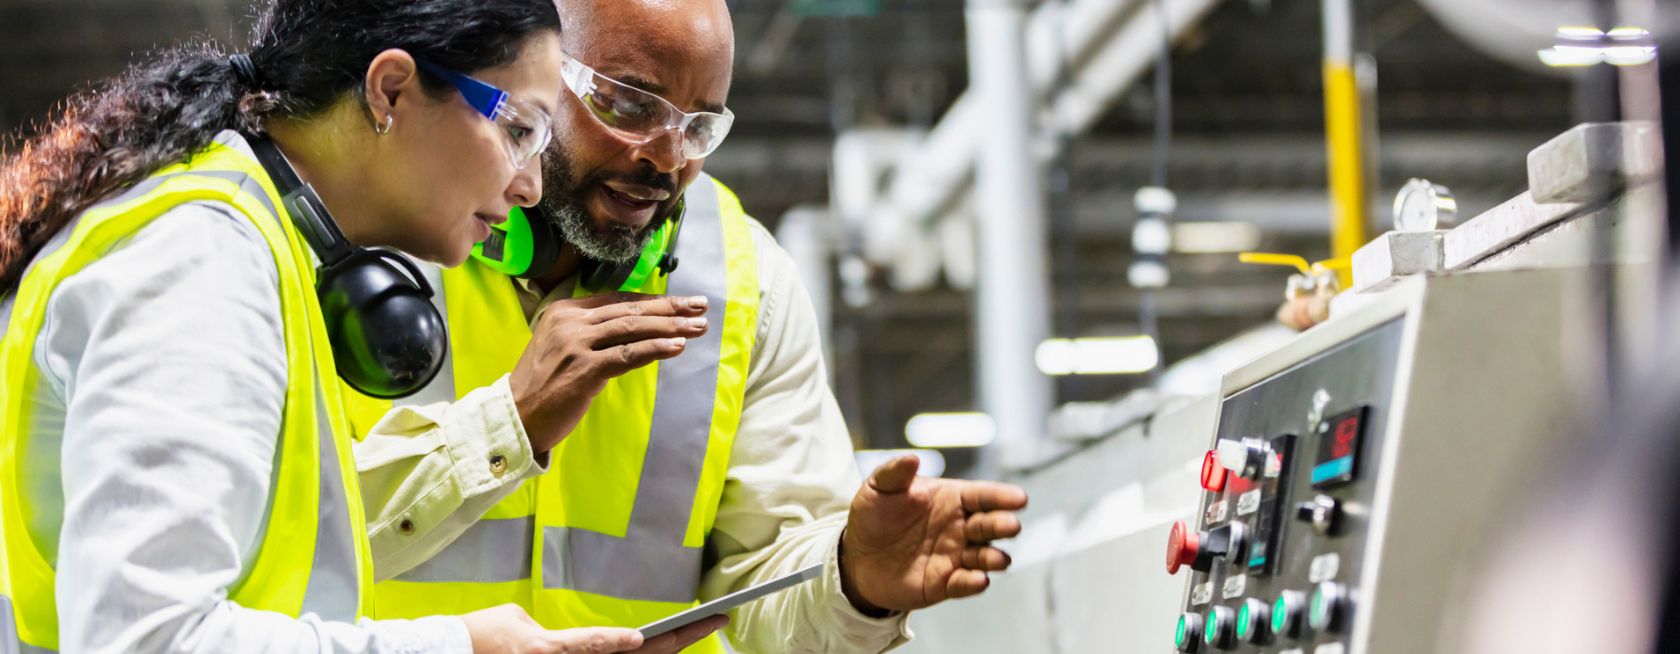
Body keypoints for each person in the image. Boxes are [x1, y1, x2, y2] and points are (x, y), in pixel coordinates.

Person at [0, 1, 718, 652]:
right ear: (391, 90)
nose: (529, 186)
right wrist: (459, 649)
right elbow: (150, 639)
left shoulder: (254, 245)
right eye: (518, 130)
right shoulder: (201, 263)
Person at [349, 0, 1030, 651]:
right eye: (630, 105)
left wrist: (853, 581)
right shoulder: (368, 234)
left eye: (699, 125)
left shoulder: (746, 283)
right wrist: (510, 425)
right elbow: (302, 532)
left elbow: (767, 587)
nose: (669, 157)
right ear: (532, 72)